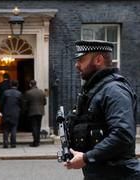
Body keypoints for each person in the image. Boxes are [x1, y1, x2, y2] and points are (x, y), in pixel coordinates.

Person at [64, 40, 140, 179]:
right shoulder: (96, 89)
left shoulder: (114, 90)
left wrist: (86, 158)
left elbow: (122, 135)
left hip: (118, 174)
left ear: (98, 60)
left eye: (81, 60)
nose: (77, 65)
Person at [0, 80, 22, 148]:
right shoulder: (19, 94)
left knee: (6, 129)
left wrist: (0, 111)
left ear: (10, 85)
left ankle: (5, 143)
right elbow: (21, 104)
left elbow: (1, 103)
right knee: (13, 128)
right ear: (17, 85)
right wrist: (20, 111)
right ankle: (13, 143)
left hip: (6, 113)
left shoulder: (5, 93)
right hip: (15, 113)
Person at [25, 80, 47, 147]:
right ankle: (38, 141)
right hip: (40, 112)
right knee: (38, 126)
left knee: (34, 127)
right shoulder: (41, 92)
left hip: (32, 112)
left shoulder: (28, 93)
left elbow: (26, 103)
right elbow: (44, 103)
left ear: (30, 84)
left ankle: (35, 142)